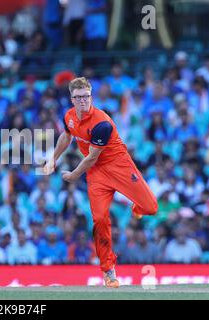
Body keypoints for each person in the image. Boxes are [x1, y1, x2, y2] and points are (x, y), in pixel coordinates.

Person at [44, 77, 158, 288]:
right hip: (96, 174)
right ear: (72, 99)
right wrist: (53, 159)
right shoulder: (69, 116)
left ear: (91, 96)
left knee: (151, 208)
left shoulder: (101, 122)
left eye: (86, 97)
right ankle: (109, 272)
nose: (82, 101)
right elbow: (66, 137)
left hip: (118, 165)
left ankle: (137, 206)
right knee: (100, 220)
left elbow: (91, 158)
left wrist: (73, 175)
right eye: (78, 98)